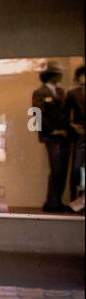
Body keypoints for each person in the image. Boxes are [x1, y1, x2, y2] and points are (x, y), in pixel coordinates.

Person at [32, 65, 71, 213]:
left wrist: (66, 129)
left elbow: (65, 113)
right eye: (57, 74)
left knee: (62, 170)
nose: (60, 76)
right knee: (56, 169)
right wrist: (53, 130)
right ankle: (52, 202)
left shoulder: (60, 92)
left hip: (64, 136)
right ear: (51, 76)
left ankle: (57, 201)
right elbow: (36, 113)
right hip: (51, 136)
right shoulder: (39, 92)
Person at [66, 65, 85, 206]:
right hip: (80, 135)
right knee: (77, 168)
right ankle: (75, 200)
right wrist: (73, 126)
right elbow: (64, 115)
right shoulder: (73, 94)